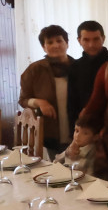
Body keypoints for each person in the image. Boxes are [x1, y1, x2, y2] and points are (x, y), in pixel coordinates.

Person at [19, 25, 75, 154]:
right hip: (50, 133)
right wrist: (39, 102)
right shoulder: (34, 70)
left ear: (67, 43)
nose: (55, 45)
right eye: (50, 42)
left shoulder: (78, 68)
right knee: (57, 170)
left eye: (59, 41)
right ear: (44, 47)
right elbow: (23, 100)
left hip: (78, 132)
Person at [67, 21, 108, 125]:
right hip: (85, 126)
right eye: (86, 40)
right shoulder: (74, 67)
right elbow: (72, 104)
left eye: (96, 39)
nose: (91, 44)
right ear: (79, 40)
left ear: (103, 38)